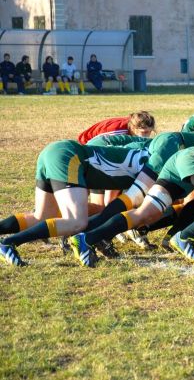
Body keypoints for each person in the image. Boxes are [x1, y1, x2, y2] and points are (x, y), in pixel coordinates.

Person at [0, 140, 150, 266]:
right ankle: (8, 243)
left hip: (56, 151)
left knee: (43, 216)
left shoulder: (151, 147)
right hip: (69, 156)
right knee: (76, 221)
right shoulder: (162, 156)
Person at [78, 111, 156, 145]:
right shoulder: (117, 132)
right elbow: (96, 143)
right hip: (85, 143)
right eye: (144, 132)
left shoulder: (132, 125)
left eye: (149, 132)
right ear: (133, 128)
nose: (146, 136)